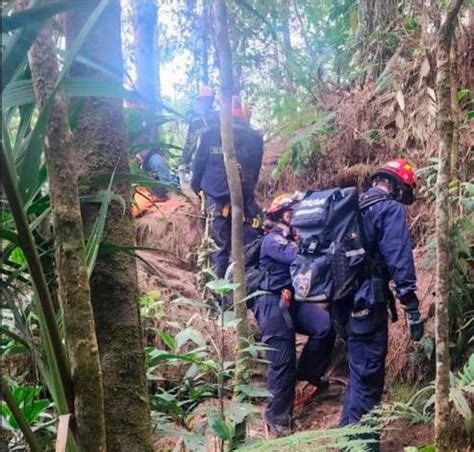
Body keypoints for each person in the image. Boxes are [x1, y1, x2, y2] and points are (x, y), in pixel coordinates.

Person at [333, 159, 424, 450]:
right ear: (397, 187)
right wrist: (411, 306)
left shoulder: (350, 208)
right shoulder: (388, 209)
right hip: (367, 304)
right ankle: (360, 446)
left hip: (342, 304)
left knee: (358, 374)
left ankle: (347, 437)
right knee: (369, 377)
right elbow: (400, 259)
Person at [253, 194, 336, 438]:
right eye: (293, 212)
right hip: (271, 302)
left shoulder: (292, 237)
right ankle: (277, 417)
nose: (297, 216)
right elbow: (297, 257)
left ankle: (309, 373)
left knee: (325, 326)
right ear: (283, 215)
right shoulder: (272, 240)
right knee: (282, 360)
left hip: (292, 301)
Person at [190, 96, 263, 278]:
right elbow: (197, 170)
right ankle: (218, 298)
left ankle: (248, 289)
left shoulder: (253, 140)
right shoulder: (209, 136)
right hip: (216, 199)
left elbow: (254, 171)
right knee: (218, 248)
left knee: (250, 242)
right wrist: (201, 193)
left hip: (243, 201)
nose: (236, 135)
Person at [180, 85, 220, 175]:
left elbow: (190, 144)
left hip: (202, 159)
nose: (204, 103)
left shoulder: (197, 121)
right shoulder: (218, 117)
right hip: (218, 160)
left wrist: (183, 162)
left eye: (205, 100)